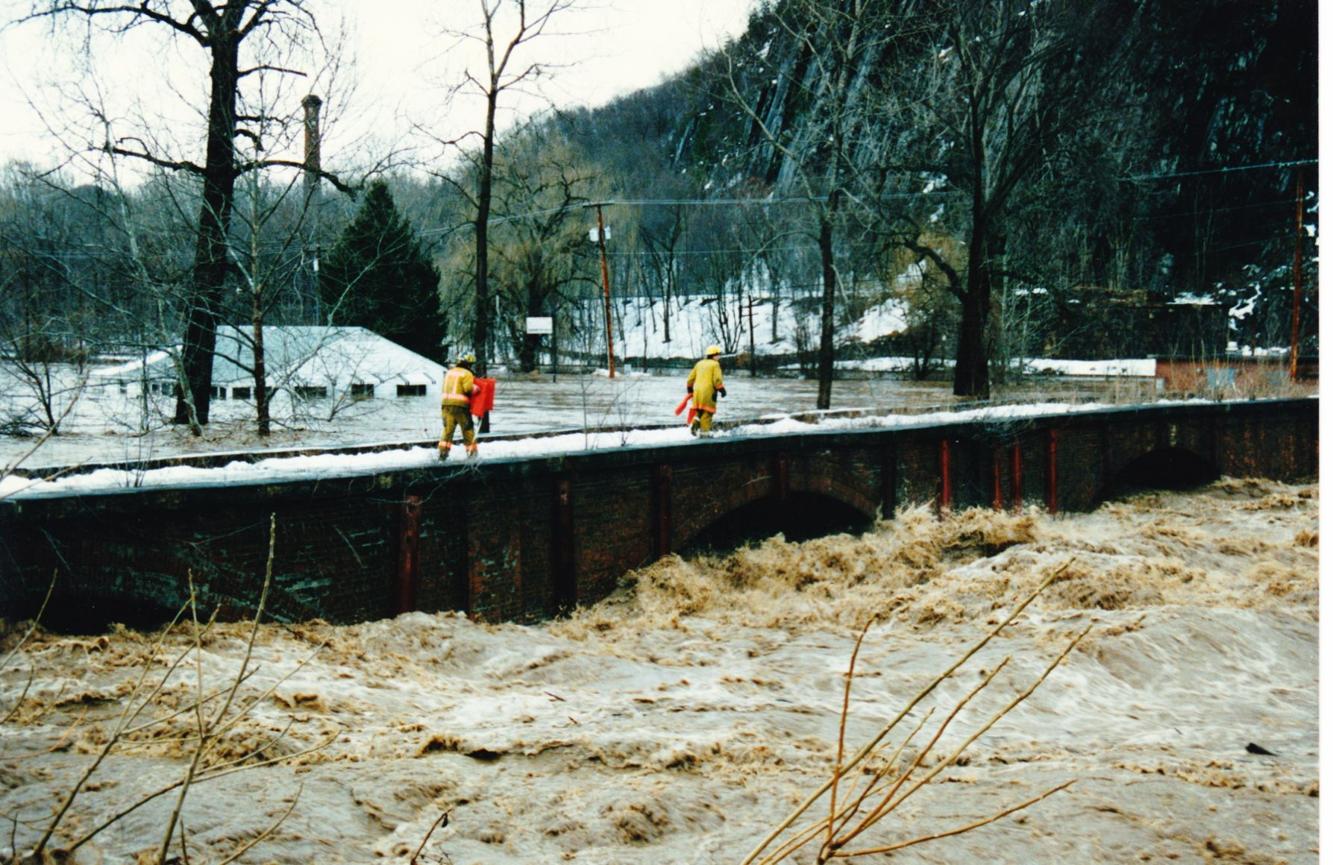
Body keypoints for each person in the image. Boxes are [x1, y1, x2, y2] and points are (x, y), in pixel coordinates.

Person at [439, 353, 479, 459]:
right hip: (460, 406)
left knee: (448, 431)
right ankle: (472, 455)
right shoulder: (467, 374)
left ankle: (442, 455)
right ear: (468, 363)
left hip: (445, 405)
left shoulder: (449, 372)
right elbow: (468, 389)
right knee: (468, 429)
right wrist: (476, 388)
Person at [686, 345, 726, 436]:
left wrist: (689, 390)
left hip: (697, 393)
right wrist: (722, 389)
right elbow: (717, 379)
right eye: (718, 354)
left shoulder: (699, 363)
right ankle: (704, 436)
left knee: (699, 411)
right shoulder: (715, 364)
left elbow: (690, 379)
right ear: (714, 355)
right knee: (707, 414)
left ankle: (695, 422)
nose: (719, 356)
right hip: (709, 393)